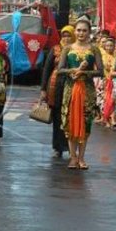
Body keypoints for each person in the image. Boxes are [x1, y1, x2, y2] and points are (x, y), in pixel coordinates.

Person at [58, 17, 103, 169]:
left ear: (89, 32)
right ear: (74, 31)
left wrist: (85, 72)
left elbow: (101, 71)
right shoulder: (68, 49)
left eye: (84, 30)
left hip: (87, 90)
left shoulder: (94, 49)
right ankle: (73, 157)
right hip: (70, 89)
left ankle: (82, 157)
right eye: (78, 30)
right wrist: (72, 70)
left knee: (86, 123)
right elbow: (60, 70)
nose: (81, 33)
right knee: (70, 123)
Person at [40, 25, 74, 158]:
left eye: (69, 35)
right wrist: (43, 89)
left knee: (71, 118)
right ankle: (58, 147)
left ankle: (71, 147)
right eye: (64, 36)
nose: (66, 38)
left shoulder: (77, 50)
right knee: (57, 118)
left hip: (72, 86)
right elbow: (46, 70)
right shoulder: (55, 49)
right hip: (55, 88)